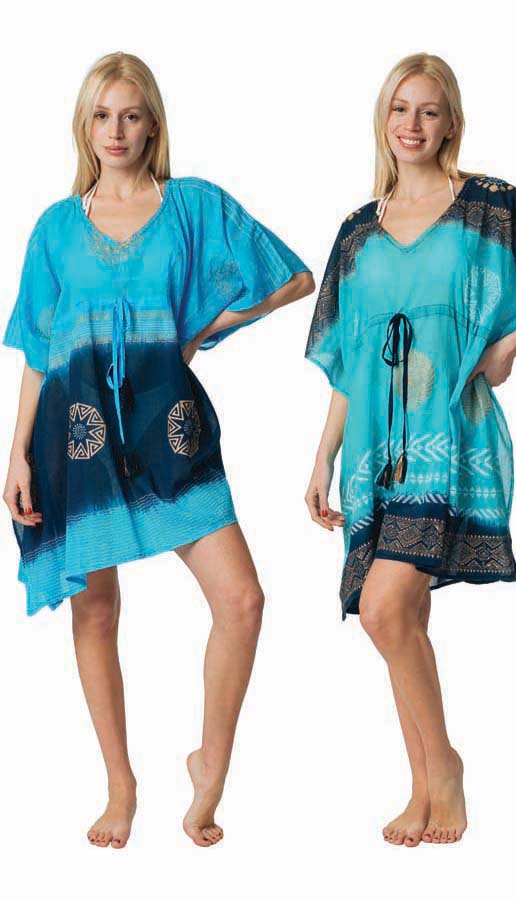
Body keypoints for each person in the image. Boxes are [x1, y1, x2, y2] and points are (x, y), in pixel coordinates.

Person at [2, 52, 314, 848]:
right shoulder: (55, 227)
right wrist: (17, 455)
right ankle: (120, 784)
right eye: (102, 115)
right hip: (75, 435)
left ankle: (210, 765)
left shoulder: (190, 206)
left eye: (131, 115)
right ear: (85, 126)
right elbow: (38, 347)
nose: (116, 131)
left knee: (242, 600)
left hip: (168, 429)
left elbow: (292, 279)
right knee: (97, 608)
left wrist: (200, 329)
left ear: (153, 125)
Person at [305, 52, 516, 846]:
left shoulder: (485, 206)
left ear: (451, 123)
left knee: (383, 608)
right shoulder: (357, 231)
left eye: (429, 110)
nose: (412, 124)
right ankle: (424, 784)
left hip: (448, 437)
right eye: (400, 108)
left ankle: (443, 770)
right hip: (373, 449)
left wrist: (509, 344)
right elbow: (349, 360)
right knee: (397, 615)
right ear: (383, 119)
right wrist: (322, 456)